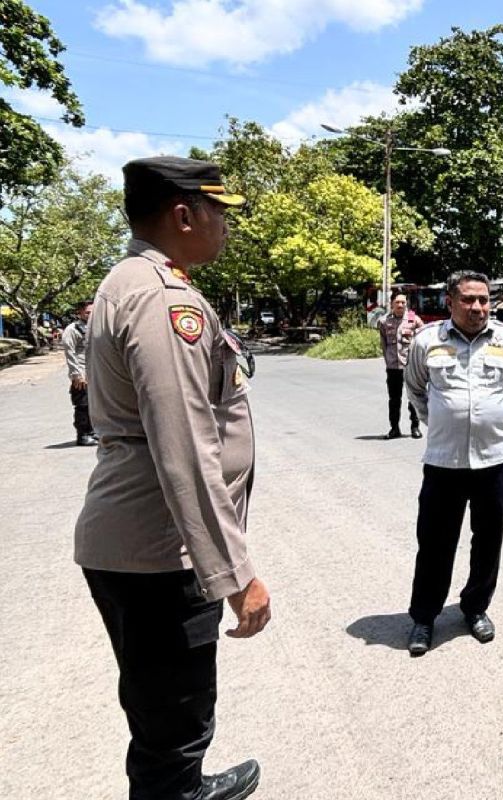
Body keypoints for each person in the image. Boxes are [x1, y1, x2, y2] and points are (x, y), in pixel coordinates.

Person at [75, 156, 271, 800]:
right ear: (184, 214)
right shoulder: (164, 299)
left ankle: (182, 783)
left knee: (163, 715)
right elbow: (184, 448)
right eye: (221, 212)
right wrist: (235, 574)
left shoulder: (131, 279)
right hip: (160, 554)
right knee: (175, 720)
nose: (226, 226)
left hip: (140, 544)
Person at [404, 270, 503, 655]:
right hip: (444, 461)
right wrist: (445, 421)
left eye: (484, 300)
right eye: (469, 300)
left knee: (488, 541)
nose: (478, 307)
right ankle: (424, 617)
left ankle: (475, 608)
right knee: (435, 542)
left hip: (495, 459)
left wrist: (487, 419)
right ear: (451, 302)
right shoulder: (427, 341)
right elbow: (416, 388)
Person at [379, 292, 424, 439]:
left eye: (403, 303)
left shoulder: (414, 320)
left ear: (406, 304)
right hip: (393, 367)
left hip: (410, 366)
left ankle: (415, 427)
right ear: (392, 303)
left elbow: (422, 341)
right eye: (397, 302)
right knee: (394, 399)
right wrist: (388, 360)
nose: (400, 305)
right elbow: (384, 343)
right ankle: (394, 428)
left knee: (413, 398)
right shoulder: (384, 321)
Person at [62, 300, 96, 446]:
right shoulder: (72, 329)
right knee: (83, 405)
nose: (91, 314)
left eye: (93, 311)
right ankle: (83, 435)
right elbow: (70, 353)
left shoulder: (96, 326)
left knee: (96, 405)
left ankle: (94, 431)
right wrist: (76, 374)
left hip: (95, 372)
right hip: (82, 373)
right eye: (87, 312)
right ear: (80, 313)